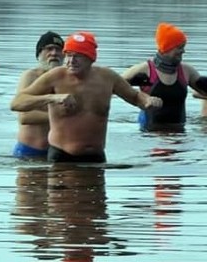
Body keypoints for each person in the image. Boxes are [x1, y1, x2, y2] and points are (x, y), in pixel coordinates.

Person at [10, 31, 163, 163]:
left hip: (96, 157)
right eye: (68, 55)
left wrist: (148, 100)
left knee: (97, 198)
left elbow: (135, 97)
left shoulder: (107, 77)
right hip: (62, 156)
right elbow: (17, 103)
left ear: (91, 58)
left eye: (77, 56)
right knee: (61, 198)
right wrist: (52, 98)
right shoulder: (55, 77)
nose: (70, 61)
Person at [121, 22, 207, 132]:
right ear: (167, 48)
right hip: (149, 132)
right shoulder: (145, 69)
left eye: (183, 47)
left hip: (179, 130)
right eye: (179, 47)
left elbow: (206, 94)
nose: (183, 51)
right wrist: (140, 94)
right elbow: (113, 86)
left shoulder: (187, 70)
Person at [10, 31, 65, 159]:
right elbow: (25, 117)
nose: (54, 53)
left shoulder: (66, 79)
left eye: (58, 49)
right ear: (39, 54)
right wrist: (62, 118)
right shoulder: (30, 76)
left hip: (57, 153)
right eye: (49, 49)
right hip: (29, 151)